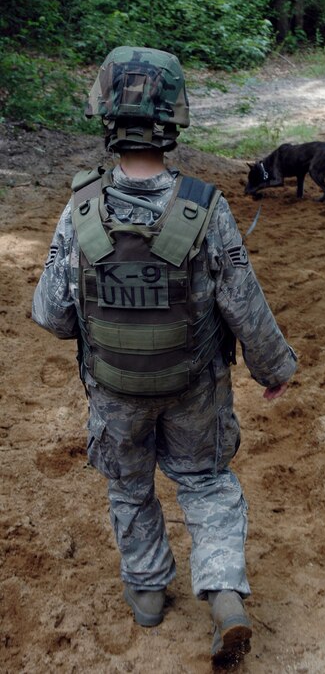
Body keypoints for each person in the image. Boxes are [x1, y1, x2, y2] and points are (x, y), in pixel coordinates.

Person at [32, 46, 297, 666]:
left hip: (115, 391)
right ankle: (226, 593)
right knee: (206, 482)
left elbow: (50, 314)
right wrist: (275, 368)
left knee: (129, 488)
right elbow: (244, 305)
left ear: (104, 112)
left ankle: (148, 592)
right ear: (175, 117)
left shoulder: (82, 208)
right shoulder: (206, 208)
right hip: (194, 386)